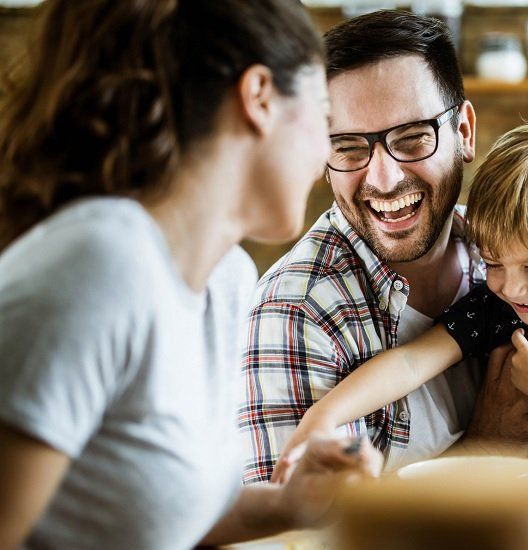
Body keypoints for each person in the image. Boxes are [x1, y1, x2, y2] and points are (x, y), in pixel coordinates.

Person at [242, 10, 528, 484]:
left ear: (465, 133)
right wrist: (492, 447)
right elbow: (308, 532)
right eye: (348, 146)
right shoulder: (297, 312)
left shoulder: (505, 243)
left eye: (412, 138)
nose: (384, 178)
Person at [0, 1, 381, 548]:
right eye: (324, 118)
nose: (325, 151)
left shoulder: (225, 281)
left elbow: (162, 514)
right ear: (259, 98)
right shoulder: (101, 264)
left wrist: (289, 504)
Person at [279, 123, 528, 473]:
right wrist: (325, 415)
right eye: (493, 263)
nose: (512, 287)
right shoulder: (495, 308)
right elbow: (410, 362)